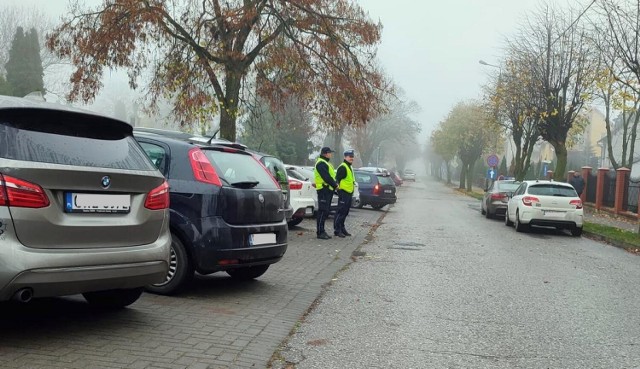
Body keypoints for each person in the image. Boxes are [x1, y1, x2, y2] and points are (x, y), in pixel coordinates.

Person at [314, 147, 338, 240]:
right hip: (323, 190)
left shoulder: (326, 163)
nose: (331, 154)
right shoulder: (321, 163)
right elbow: (326, 177)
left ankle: (322, 231)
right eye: (330, 153)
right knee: (322, 210)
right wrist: (335, 185)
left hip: (327, 190)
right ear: (326, 153)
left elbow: (331, 176)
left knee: (325, 211)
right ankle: (320, 232)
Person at [334, 149, 356, 238]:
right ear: (345, 157)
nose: (352, 158)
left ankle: (342, 228)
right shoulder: (343, 167)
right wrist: (339, 190)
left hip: (349, 193)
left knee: (345, 212)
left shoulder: (349, 167)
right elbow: (337, 180)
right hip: (343, 193)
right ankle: (337, 230)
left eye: (352, 157)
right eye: (350, 157)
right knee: (341, 212)